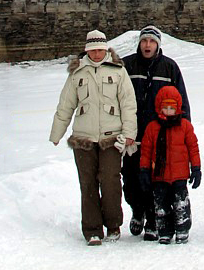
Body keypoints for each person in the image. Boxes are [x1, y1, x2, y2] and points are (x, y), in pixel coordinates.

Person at [50, 29, 137, 246]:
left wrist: (129, 134)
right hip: (84, 138)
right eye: (93, 51)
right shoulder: (77, 73)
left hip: (111, 137)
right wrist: (57, 133)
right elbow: (66, 105)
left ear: (106, 49)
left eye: (100, 50)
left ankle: (113, 225)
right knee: (87, 184)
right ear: (87, 51)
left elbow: (128, 103)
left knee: (110, 182)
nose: (97, 54)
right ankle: (92, 229)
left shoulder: (118, 71)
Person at [120, 25, 191, 241]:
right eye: (144, 41)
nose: (147, 45)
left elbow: (181, 102)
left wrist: (183, 132)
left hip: (160, 137)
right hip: (133, 135)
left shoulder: (169, 67)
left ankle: (152, 218)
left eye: (151, 41)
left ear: (158, 44)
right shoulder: (127, 65)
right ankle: (137, 211)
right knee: (131, 182)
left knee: (154, 180)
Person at [139, 85, 201, 244]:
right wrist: (144, 170)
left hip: (179, 175)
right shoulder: (153, 127)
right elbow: (146, 150)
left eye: (171, 108)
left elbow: (193, 148)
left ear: (177, 108)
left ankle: (182, 229)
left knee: (181, 204)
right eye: (165, 107)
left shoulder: (185, 126)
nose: (168, 111)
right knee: (161, 205)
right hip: (159, 175)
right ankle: (164, 230)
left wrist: (196, 168)